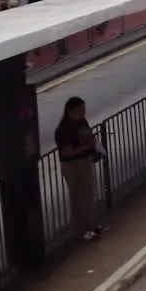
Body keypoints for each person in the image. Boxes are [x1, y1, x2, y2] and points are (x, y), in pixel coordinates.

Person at [54, 97, 105, 241]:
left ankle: (91, 225)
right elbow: (67, 152)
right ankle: (81, 230)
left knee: (88, 195)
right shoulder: (63, 130)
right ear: (71, 111)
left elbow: (88, 136)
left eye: (84, 109)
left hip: (85, 162)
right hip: (73, 166)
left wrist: (93, 145)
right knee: (78, 198)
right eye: (80, 110)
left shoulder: (82, 123)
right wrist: (86, 147)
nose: (83, 112)